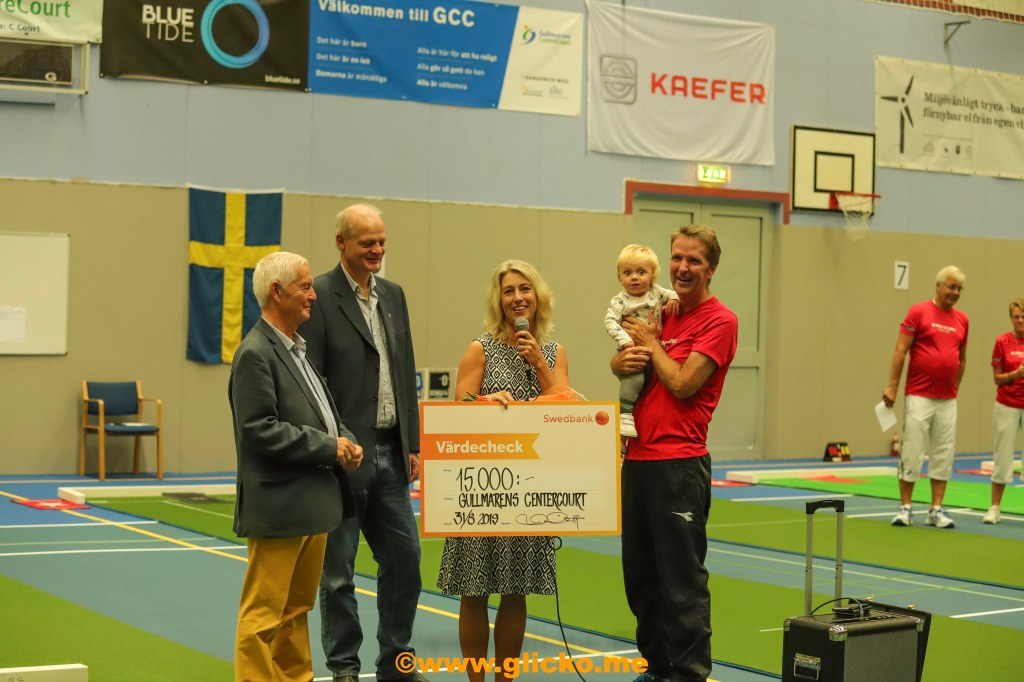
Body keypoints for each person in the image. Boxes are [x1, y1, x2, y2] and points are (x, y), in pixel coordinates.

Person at [300, 204, 425, 682]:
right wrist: (335, 442)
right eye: (367, 242)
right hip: (343, 460)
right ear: (341, 243)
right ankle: (344, 669)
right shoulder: (319, 296)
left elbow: (404, 368)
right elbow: (311, 381)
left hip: (392, 452)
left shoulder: (394, 295)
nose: (377, 250)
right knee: (338, 574)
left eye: (382, 241)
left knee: (406, 562)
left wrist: (413, 442)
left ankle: (396, 662)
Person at [610, 225, 737, 682]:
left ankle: (687, 676)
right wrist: (619, 362)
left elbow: (683, 383)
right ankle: (657, 668)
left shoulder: (720, 321)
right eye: (677, 258)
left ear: (711, 268)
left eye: (694, 260)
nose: (683, 268)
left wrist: (648, 343)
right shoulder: (661, 312)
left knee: (681, 582)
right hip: (637, 459)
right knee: (641, 579)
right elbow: (636, 367)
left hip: (679, 464)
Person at [229, 251, 363, 682]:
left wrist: (346, 441)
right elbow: (258, 429)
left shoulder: (297, 349)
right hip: (279, 506)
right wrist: (329, 447)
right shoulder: (255, 353)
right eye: (304, 287)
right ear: (276, 292)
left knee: (295, 610)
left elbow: (323, 414)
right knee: (263, 615)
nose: (313, 295)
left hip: (311, 504)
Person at [437, 259, 570, 682]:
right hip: (480, 489)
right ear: (498, 301)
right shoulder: (479, 349)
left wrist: (540, 364)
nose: (517, 298)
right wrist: (485, 401)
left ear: (538, 296)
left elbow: (566, 406)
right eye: (508, 291)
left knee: (516, 592)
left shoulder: (553, 352)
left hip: (531, 489)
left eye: (524, 289)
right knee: (473, 591)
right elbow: (459, 408)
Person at [882, 266, 969, 529]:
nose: (955, 292)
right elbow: (900, 350)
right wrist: (892, 387)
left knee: (943, 453)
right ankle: (905, 508)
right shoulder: (918, 311)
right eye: (951, 287)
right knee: (911, 450)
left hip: (947, 399)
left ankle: (936, 510)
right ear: (938, 286)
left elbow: (962, 358)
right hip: (919, 395)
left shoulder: (963, 319)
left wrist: (954, 387)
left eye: (959, 288)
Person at [604, 244, 679, 439]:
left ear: (652, 276)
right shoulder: (620, 301)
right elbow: (610, 321)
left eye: (641, 272)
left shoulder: (656, 292)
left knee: (651, 385)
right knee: (635, 380)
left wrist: (673, 300)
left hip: (654, 349)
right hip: (632, 349)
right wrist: (625, 340)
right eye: (627, 273)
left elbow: (673, 294)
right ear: (620, 278)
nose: (634, 277)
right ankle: (625, 415)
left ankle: (632, 425)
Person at [986, 298, 1024, 524]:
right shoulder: (1002, 341)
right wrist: (1015, 374)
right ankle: (994, 508)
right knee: (1002, 456)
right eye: (1016, 317)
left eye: (1023, 317)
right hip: (1006, 404)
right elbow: (996, 378)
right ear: (1011, 319)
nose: (1020, 321)